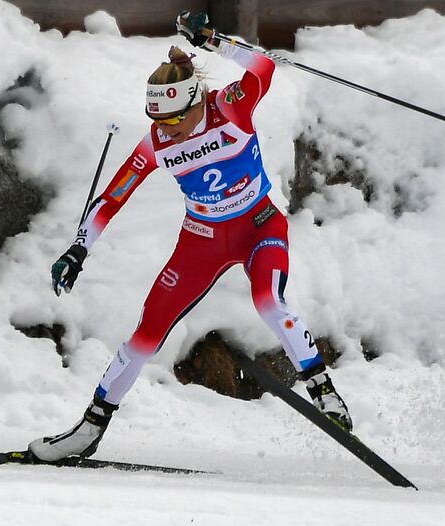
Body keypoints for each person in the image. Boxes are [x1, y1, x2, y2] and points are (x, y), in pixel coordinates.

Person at [29, 11, 351, 463]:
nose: (167, 130)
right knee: (148, 331)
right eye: (158, 120)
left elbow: (264, 66)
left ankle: (324, 390)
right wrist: (79, 248)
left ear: (195, 102)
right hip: (202, 240)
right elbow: (115, 195)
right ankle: (89, 428)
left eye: (174, 120)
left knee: (267, 300)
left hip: (259, 225)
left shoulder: (230, 107)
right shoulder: (158, 141)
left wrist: (214, 41)